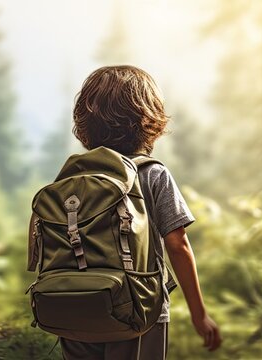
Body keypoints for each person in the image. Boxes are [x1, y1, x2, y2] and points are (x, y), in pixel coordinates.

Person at [59, 65, 222, 359]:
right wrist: (200, 315)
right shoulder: (151, 174)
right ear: (147, 118)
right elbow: (178, 245)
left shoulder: (72, 179)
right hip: (138, 312)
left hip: (74, 308)